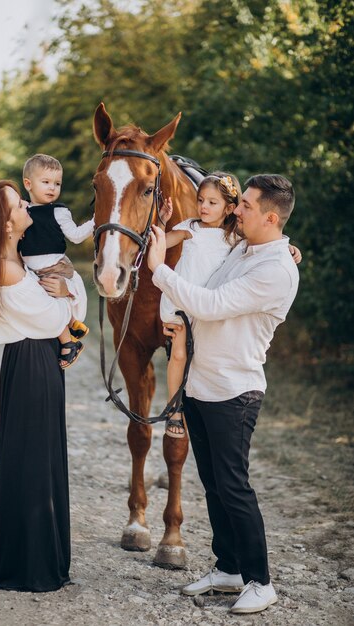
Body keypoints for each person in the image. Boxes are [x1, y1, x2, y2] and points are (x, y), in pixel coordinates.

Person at [148, 174, 300, 614]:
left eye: (246, 206)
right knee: (214, 484)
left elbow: (210, 305)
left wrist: (160, 270)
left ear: (270, 217)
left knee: (234, 486)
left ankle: (260, 580)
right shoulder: (244, 249)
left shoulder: (273, 269)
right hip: (200, 384)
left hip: (235, 391)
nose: (237, 210)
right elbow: (205, 280)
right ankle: (229, 568)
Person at [0, 180, 84, 592]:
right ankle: (30, 563)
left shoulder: (12, 260)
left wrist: (64, 301)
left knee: (34, 456)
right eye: (18, 203)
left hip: (30, 361)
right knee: (34, 459)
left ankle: (27, 552)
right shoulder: (6, 268)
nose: (27, 205)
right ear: (5, 221)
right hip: (32, 361)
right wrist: (69, 296)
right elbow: (53, 320)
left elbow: (57, 314)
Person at [159, 172, 241, 438]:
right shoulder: (190, 228)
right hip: (181, 301)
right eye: (201, 200)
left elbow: (264, 247)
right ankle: (174, 407)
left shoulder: (235, 237)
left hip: (210, 306)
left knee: (206, 360)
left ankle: (207, 409)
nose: (204, 207)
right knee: (179, 355)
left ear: (229, 208)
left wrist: (288, 249)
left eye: (212, 203)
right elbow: (160, 244)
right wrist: (160, 224)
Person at [21, 153, 94, 368]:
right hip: (33, 271)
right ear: (28, 184)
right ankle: (73, 324)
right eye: (46, 182)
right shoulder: (22, 210)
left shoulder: (59, 211)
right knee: (44, 301)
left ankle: (69, 343)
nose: (52, 188)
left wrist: (95, 221)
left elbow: (76, 236)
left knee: (50, 300)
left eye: (57, 183)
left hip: (54, 267)